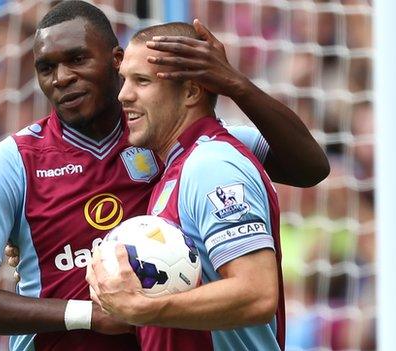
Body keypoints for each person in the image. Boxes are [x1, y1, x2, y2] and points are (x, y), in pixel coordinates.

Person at [0, 1, 328, 350]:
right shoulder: (14, 162)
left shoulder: (182, 147)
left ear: (115, 60)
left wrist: (234, 85)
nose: (61, 78)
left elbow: (309, 167)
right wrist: (88, 314)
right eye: (46, 67)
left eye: (77, 59)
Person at [87, 22, 288, 350]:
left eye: (142, 81)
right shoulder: (177, 166)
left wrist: (143, 309)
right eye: (125, 80)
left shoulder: (211, 165)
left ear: (192, 92)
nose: (123, 95)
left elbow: (256, 294)